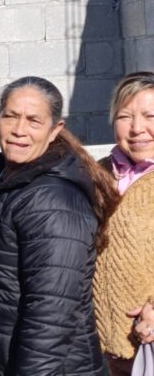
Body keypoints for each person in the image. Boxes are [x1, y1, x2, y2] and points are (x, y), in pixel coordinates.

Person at [0, 76, 117, 376]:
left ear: (55, 130)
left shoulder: (54, 201)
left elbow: (50, 313)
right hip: (1, 358)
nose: (19, 130)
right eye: (10, 116)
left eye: (33, 121)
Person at [94, 71, 154, 376]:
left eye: (150, 116)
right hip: (96, 350)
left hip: (146, 346)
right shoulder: (96, 175)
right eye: (125, 116)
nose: (137, 128)